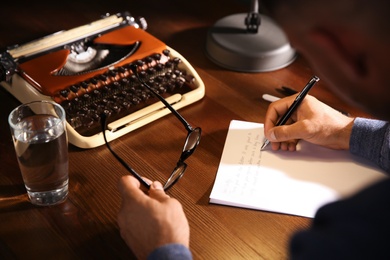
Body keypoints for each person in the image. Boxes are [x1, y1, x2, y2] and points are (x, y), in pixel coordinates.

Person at [117, 0, 390, 259]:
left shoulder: (354, 234)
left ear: (333, 48)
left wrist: (164, 248)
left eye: (306, 52)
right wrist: (345, 130)